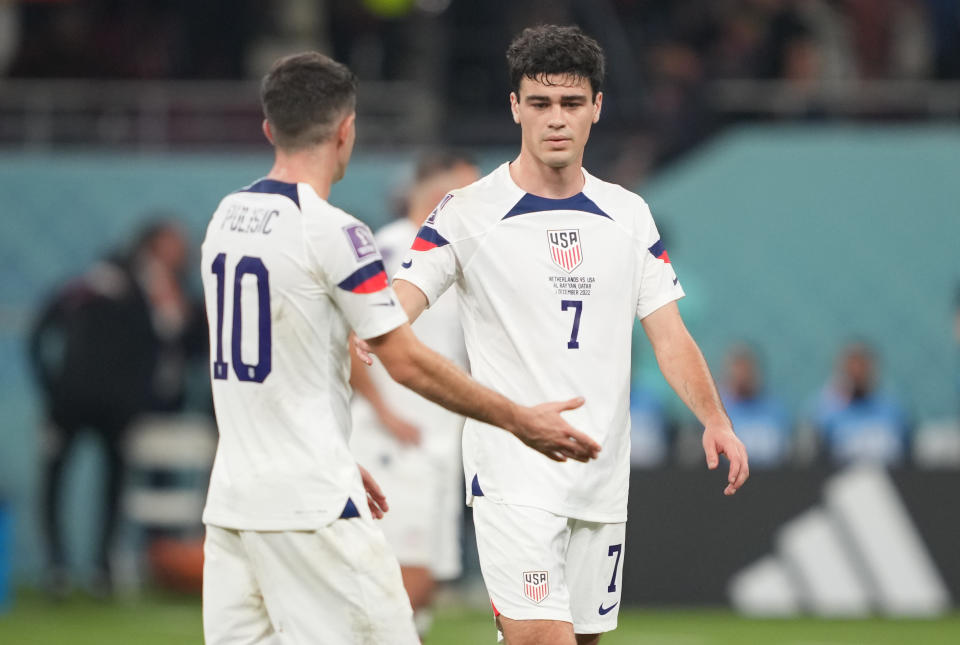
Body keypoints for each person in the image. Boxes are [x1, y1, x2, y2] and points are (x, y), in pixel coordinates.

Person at [357, 24, 749, 645]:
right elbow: (398, 303)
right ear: (515, 107)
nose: (555, 119)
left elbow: (668, 334)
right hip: (512, 468)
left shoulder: (629, 215)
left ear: (598, 106)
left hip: (600, 473)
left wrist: (715, 418)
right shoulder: (466, 212)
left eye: (571, 103)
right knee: (544, 639)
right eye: (539, 103)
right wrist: (367, 332)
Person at [199, 52, 600, 645]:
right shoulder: (338, 233)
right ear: (346, 130)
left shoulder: (226, 219)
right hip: (310, 505)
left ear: (268, 129)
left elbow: (272, 363)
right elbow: (403, 360)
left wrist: (332, 450)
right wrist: (520, 420)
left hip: (232, 502)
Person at [28, 219, 199, 597]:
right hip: (71, 403)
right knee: (56, 481)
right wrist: (50, 384)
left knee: (117, 484)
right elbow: (45, 326)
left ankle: (105, 567)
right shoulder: (109, 280)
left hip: (122, 410)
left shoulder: (175, 292)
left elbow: (180, 344)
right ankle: (57, 566)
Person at [348, 150, 479, 637]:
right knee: (406, 576)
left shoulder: (449, 251)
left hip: (438, 436)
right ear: (435, 193)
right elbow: (349, 335)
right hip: (397, 441)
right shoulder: (392, 246)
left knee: (428, 586)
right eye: (464, 189)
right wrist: (382, 411)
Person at [810, 341, 909, 464]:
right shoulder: (826, 412)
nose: (857, 372)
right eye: (852, 366)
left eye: (862, 366)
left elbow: (907, 455)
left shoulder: (893, 410)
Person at [719, 344, 791, 468]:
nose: (742, 375)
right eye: (737, 368)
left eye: (746, 368)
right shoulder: (718, 413)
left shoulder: (775, 411)